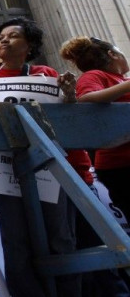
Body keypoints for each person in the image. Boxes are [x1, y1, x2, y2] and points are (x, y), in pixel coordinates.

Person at [0, 18, 105, 297]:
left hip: (50, 170)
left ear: (30, 46)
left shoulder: (47, 75)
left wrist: (68, 94)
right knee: (15, 239)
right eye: (1, 37)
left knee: (61, 237)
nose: (5, 40)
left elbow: (68, 118)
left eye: (14, 36)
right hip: (2, 171)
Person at [60, 36, 130, 219]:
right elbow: (86, 98)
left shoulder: (120, 79)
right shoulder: (95, 75)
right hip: (121, 164)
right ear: (112, 54)